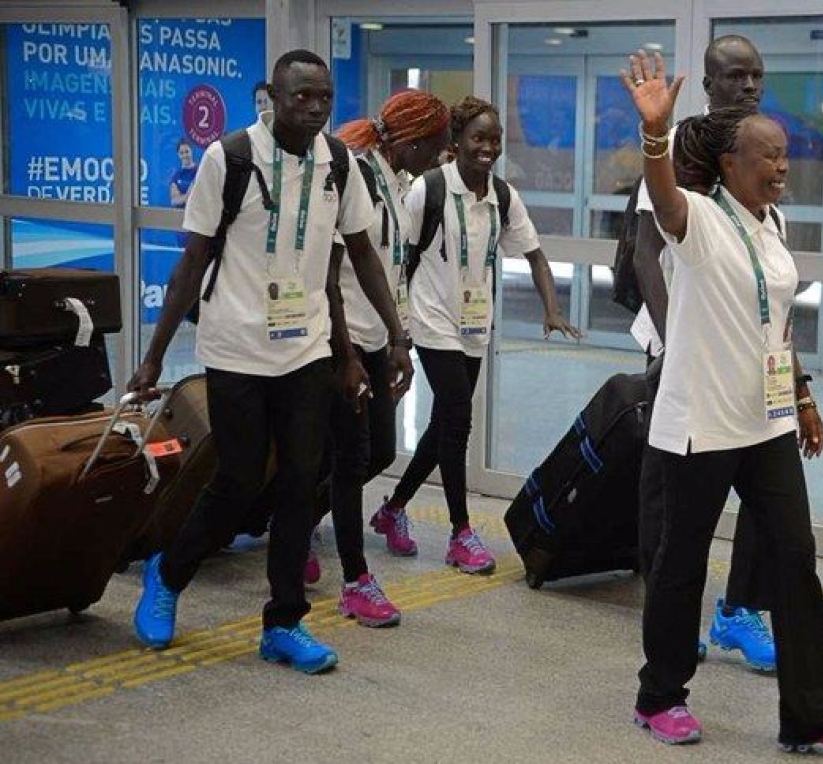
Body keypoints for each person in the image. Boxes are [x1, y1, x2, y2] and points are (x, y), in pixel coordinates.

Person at [128, 50, 414, 675]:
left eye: (323, 99)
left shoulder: (339, 163)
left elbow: (362, 254)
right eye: (300, 97)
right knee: (237, 479)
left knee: (299, 482)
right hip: (235, 347)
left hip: (305, 349)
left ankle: (284, 621)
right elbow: (191, 265)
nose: (313, 109)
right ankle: (170, 572)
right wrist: (153, 358)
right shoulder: (227, 159)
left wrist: (396, 335)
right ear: (274, 99)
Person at [624, 50, 823, 754]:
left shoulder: (776, 226)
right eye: (767, 156)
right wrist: (655, 135)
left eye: (785, 155)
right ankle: (659, 695)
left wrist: (800, 394)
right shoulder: (698, 218)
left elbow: (776, 321)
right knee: (682, 563)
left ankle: (812, 714)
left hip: (764, 421)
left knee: (794, 554)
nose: (781, 166)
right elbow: (665, 198)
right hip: (701, 421)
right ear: (730, 165)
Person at [368, 96, 582, 576]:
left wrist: (552, 308)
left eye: (495, 139)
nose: (488, 147)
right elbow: (394, 257)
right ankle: (460, 533)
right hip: (430, 320)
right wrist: (396, 328)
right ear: (457, 142)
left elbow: (535, 254)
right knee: (459, 420)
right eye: (478, 138)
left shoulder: (501, 196)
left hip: (473, 324)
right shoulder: (428, 190)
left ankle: (393, 508)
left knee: (444, 423)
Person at [632, 34, 780, 673]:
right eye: (734, 78)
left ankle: (738, 607)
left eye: (756, 78)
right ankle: (667, 611)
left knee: (765, 491)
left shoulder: (758, 158)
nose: (747, 87)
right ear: (711, 85)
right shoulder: (683, 159)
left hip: (745, 356)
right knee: (671, 498)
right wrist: (672, 345)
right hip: (680, 341)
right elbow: (647, 253)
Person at [298, 89, 452, 627]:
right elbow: (331, 274)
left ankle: (295, 530)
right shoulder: (357, 176)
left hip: (374, 340)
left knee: (379, 452)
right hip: (339, 344)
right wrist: (346, 355)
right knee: (350, 458)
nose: (441, 156)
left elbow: (393, 273)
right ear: (410, 140)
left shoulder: (400, 183)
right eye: (436, 145)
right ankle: (356, 581)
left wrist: (397, 339)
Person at [168, 139, 198, 209]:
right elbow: (174, 200)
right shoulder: (176, 175)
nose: (185, 155)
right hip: (180, 215)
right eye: (181, 153)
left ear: (192, 151)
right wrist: (188, 195)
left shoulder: (200, 172)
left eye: (187, 151)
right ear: (178, 155)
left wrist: (182, 197)